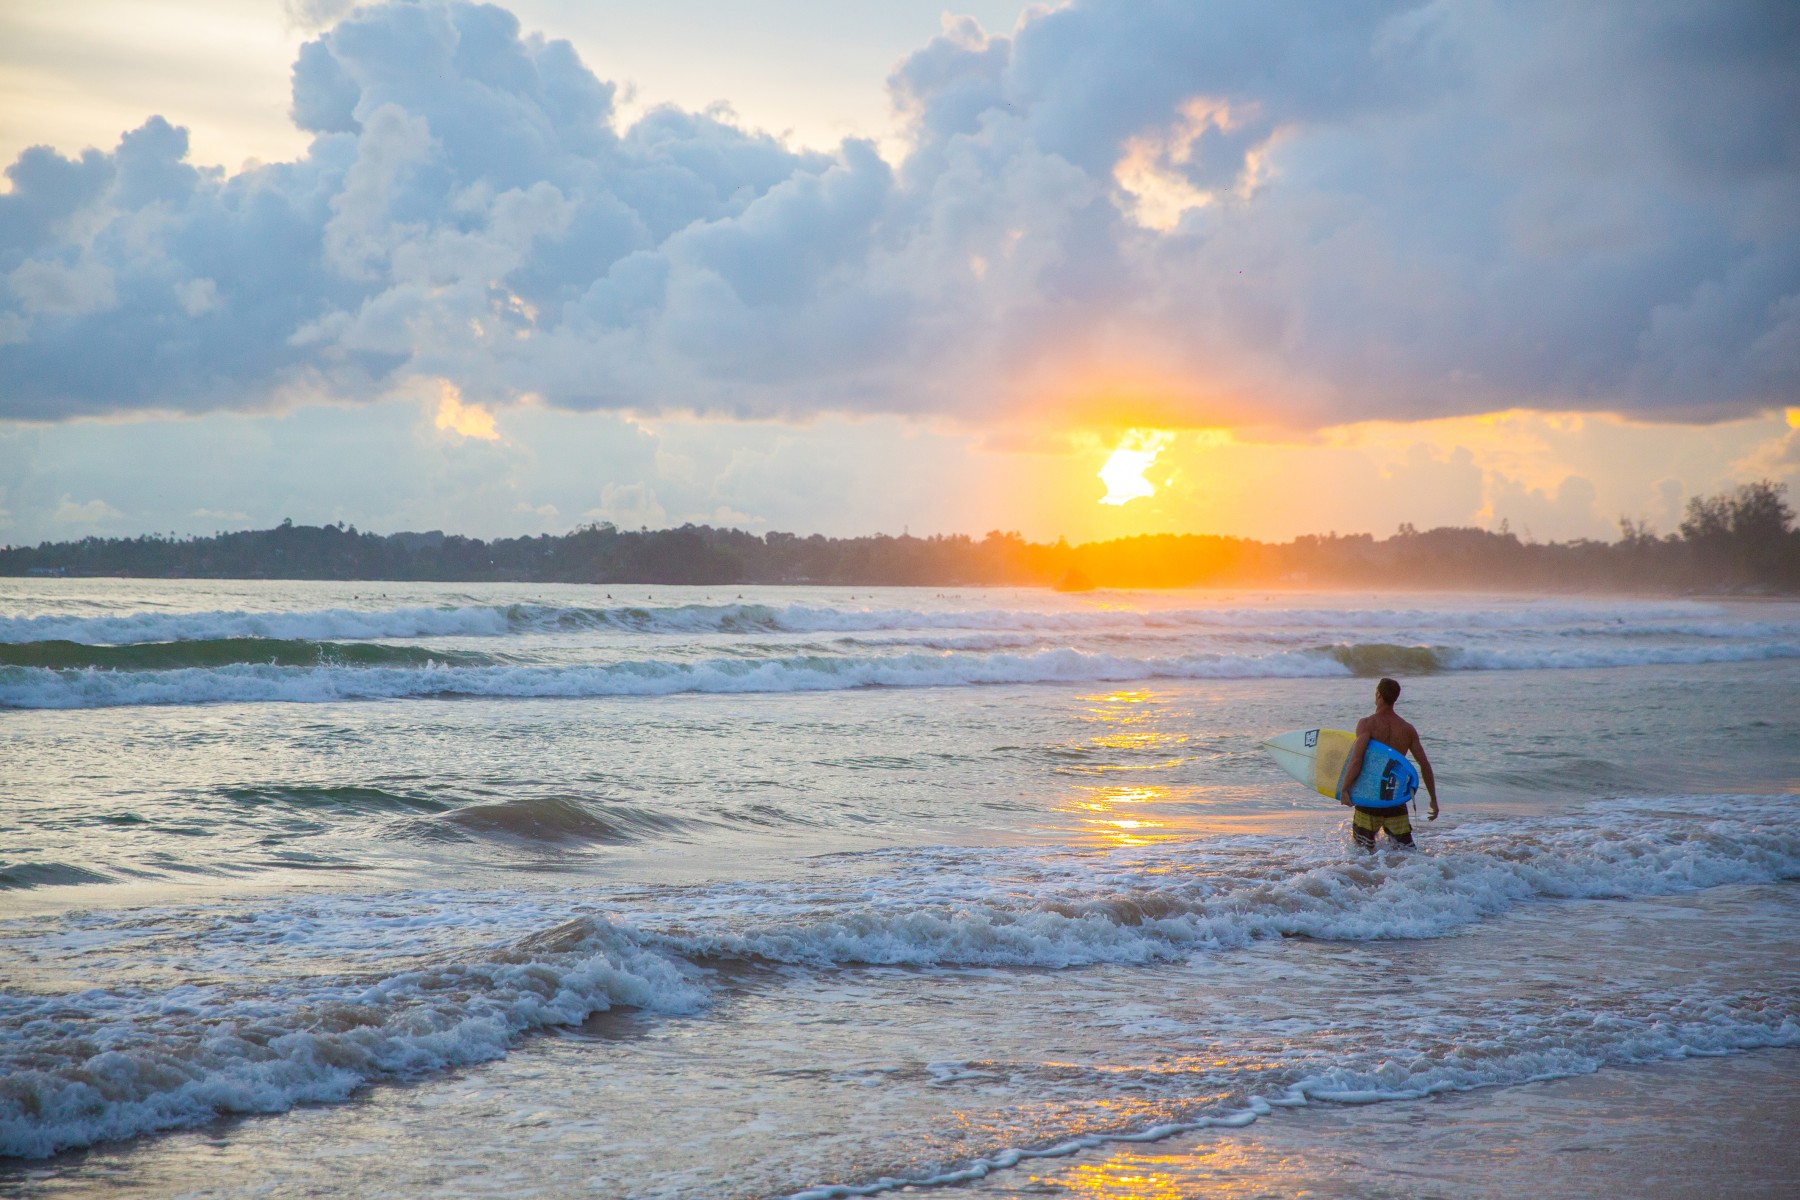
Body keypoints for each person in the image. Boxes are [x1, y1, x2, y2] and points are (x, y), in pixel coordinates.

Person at [1338, 676, 1438, 849]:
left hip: (1369, 797)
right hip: (1395, 797)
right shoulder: (1407, 729)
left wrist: (1344, 788)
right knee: (1404, 854)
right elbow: (1424, 765)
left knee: (1362, 854)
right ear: (1395, 698)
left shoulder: (1367, 724)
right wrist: (1433, 800)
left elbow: (1357, 759)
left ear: (1378, 695)